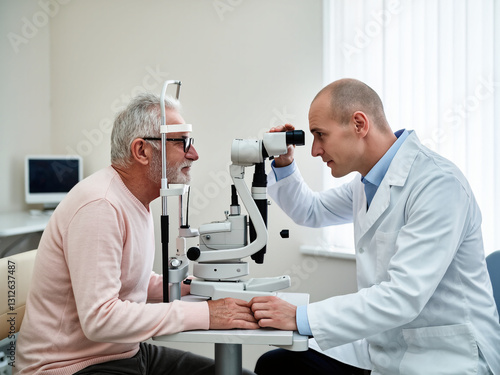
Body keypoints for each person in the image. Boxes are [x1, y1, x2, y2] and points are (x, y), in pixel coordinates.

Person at [250, 78, 500, 374]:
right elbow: (311, 211)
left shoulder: (437, 184)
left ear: (359, 124)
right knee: (277, 365)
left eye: (321, 135)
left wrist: (299, 317)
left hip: (446, 355)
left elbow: (403, 296)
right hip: (388, 345)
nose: (315, 150)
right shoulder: (369, 181)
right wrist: (284, 164)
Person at [15, 93, 258, 375]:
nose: (194, 154)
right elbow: (100, 319)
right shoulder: (100, 206)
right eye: (182, 142)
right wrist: (206, 314)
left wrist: (194, 286)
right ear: (142, 151)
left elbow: (128, 280)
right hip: (69, 366)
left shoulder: (135, 200)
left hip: (123, 352)